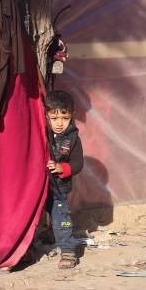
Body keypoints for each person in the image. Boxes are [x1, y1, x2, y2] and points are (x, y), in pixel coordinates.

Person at [45, 90, 84, 269]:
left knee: (62, 218)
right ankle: (27, 249)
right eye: (54, 118)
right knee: (31, 218)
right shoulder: (41, 132)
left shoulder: (73, 137)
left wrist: (63, 168)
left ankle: (68, 249)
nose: (59, 124)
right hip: (38, 186)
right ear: (46, 115)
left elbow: (78, 163)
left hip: (59, 188)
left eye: (65, 118)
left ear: (71, 116)